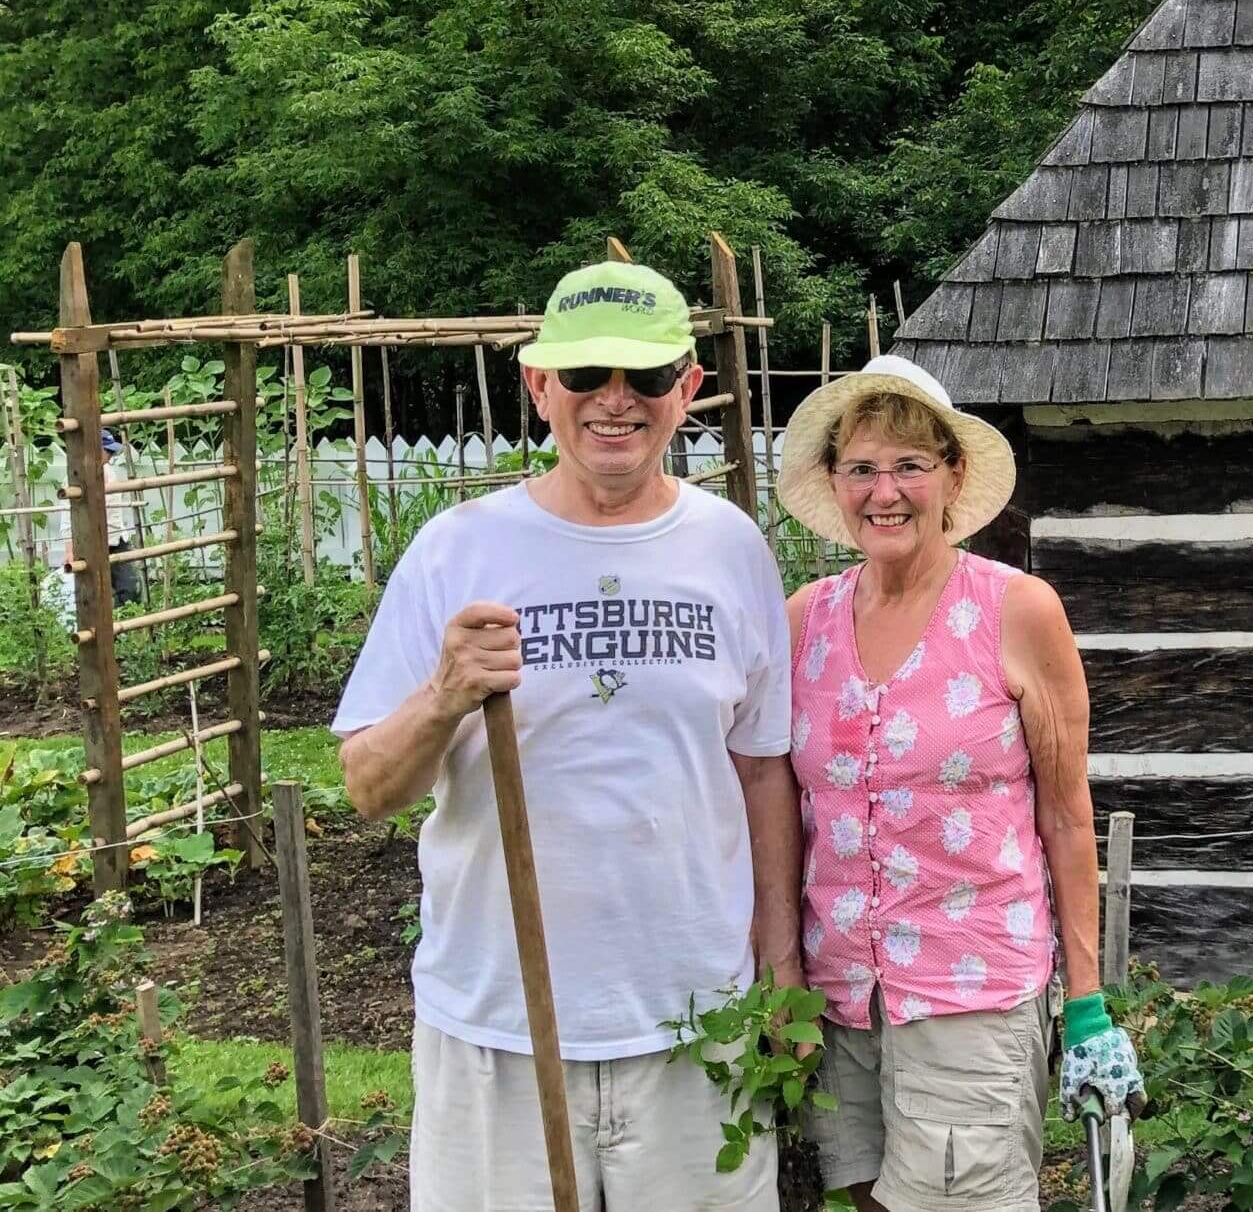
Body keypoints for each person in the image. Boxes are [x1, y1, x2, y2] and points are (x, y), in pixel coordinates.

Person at [334, 261, 799, 1211]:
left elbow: (762, 775)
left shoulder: (733, 547)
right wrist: (444, 696)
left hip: (693, 1021)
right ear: (539, 386)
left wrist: (780, 969)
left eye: (647, 377)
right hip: (497, 1021)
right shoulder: (460, 547)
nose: (615, 402)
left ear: (691, 390)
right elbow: (368, 786)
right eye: (585, 375)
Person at [776, 355, 1142, 1212]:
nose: (885, 491)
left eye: (909, 466)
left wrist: (1085, 1003)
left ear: (953, 475)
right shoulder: (804, 620)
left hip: (969, 989)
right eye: (861, 468)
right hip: (839, 1003)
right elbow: (787, 811)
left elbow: (1065, 816)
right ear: (834, 483)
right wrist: (783, 970)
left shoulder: (1017, 609)